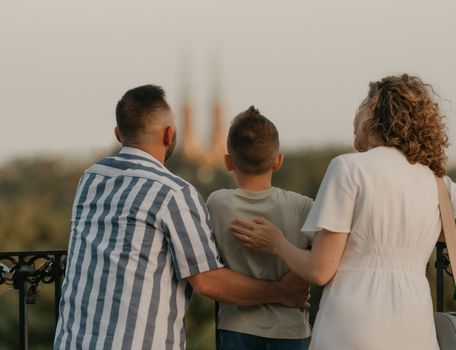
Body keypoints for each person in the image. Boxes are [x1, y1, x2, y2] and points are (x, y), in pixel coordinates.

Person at [230, 74, 456, 349]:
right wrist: (422, 227)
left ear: (376, 112)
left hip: (351, 326)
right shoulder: (436, 181)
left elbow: (319, 270)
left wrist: (277, 244)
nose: (355, 115)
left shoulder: (348, 168)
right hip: (414, 328)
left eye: (363, 104)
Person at [53, 85, 308, 350]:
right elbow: (207, 280)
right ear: (168, 134)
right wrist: (281, 292)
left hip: (73, 341)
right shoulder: (173, 193)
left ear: (118, 134)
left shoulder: (91, 178)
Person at [206, 106, 313, 350]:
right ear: (278, 161)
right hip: (290, 331)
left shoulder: (217, 203)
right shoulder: (303, 206)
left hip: (236, 328)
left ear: (228, 162)